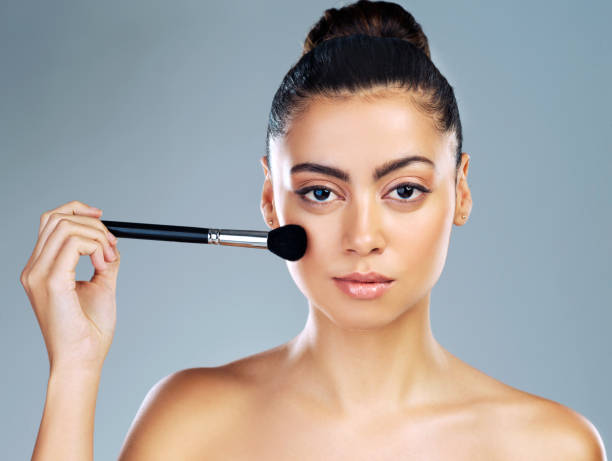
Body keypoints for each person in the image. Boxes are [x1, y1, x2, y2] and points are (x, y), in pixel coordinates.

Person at [22, 1, 606, 459]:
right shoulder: (190, 420)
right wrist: (75, 367)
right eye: (322, 193)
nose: (362, 236)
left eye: (404, 190)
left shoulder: (550, 447)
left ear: (462, 190)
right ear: (272, 201)